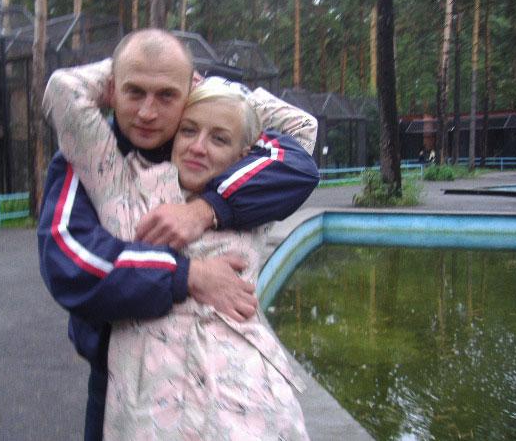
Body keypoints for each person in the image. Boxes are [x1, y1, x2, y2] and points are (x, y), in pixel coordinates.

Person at [38, 29, 318, 440]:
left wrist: (206, 209)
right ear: (113, 89)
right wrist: (186, 274)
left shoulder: (229, 159)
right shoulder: (99, 162)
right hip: (129, 378)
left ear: (189, 92)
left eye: (167, 95)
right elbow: (69, 264)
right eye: (134, 92)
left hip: (235, 387)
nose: (147, 112)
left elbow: (301, 138)